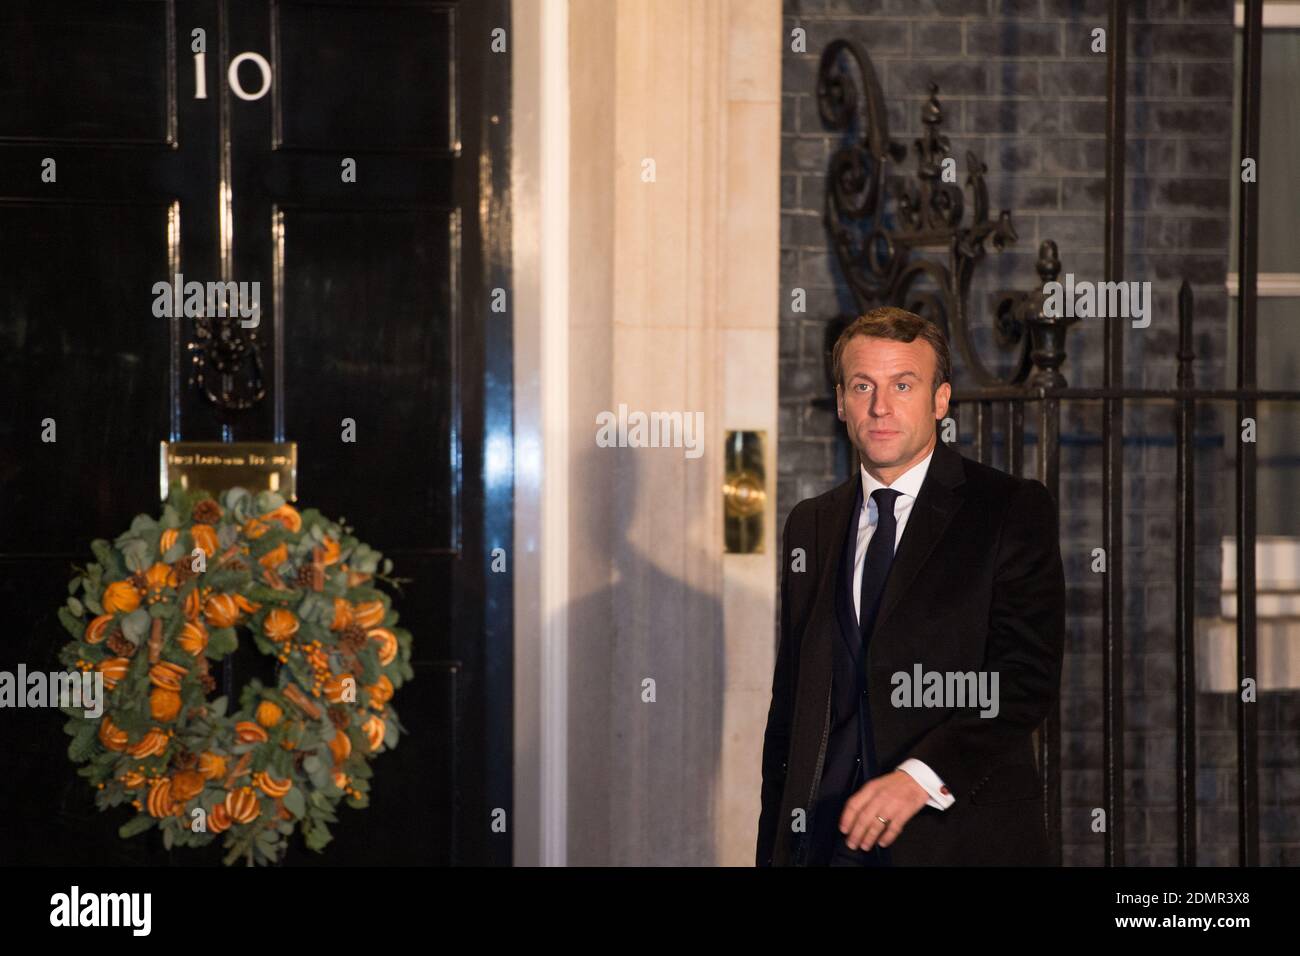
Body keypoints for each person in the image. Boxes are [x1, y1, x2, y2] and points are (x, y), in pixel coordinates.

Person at [756, 306, 1065, 866]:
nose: (881, 406)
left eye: (903, 384)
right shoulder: (811, 523)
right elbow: (792, 703)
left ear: (940, 400)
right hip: (827, 842)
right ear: (842, 402)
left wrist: (919, 777)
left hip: (955, 841)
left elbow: (1025, 679)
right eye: (862, 386)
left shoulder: (1007, 508)